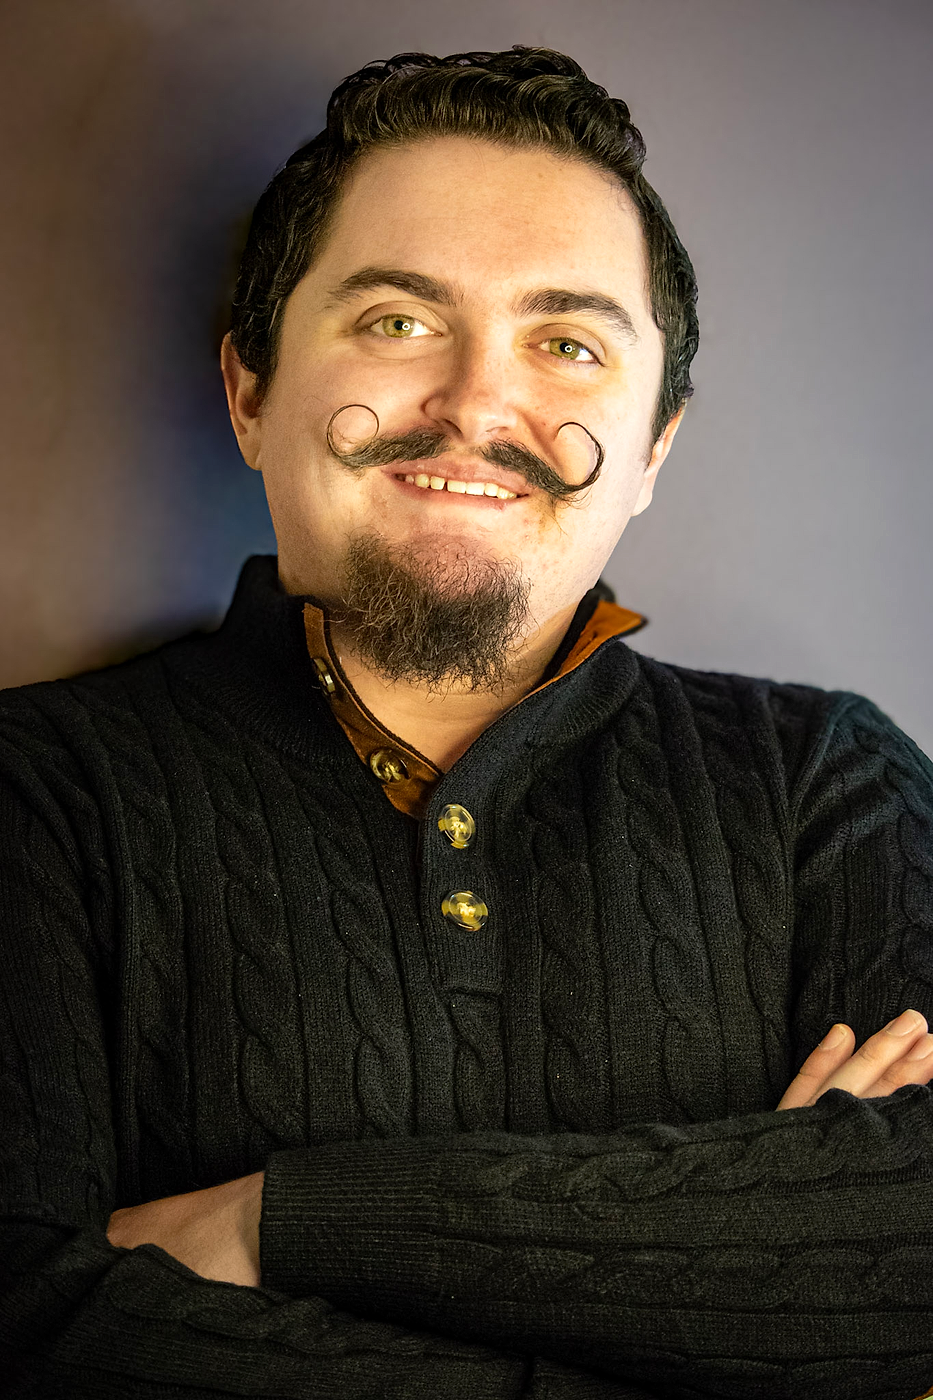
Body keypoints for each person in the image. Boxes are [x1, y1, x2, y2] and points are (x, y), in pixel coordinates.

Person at [1, 44, 932, 1400]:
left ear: (654, 448)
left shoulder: (825, 784)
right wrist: (746, 1291)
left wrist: (278, 1223)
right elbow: (28, 1332)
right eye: (395, 322)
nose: (479, 404)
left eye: (567, 344)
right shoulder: (37, 794)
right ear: (251, 393)